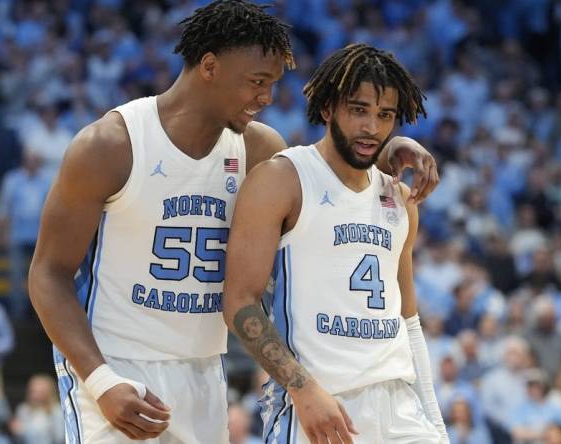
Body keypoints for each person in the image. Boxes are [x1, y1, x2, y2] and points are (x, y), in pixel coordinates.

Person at [28, 2, 440, 443]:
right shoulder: (110, 145)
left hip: (205, 369)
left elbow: (320, 180)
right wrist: (99, 380)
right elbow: (48, 276)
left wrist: (385, 147)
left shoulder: (258, 148)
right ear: (210, 67)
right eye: (257, 82)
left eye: (272, 85)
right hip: (118, 364)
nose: (266, 98)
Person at [223, 44, 446, 443]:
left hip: (400, 409)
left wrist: (435, 423)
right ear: (327, 108)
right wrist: (301, 387)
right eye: (358, 109)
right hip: (320, 403)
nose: (372, 128)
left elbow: (409, 323)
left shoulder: (400, 200)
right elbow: (239, 301)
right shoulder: (282, 179)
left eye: (385, 115)